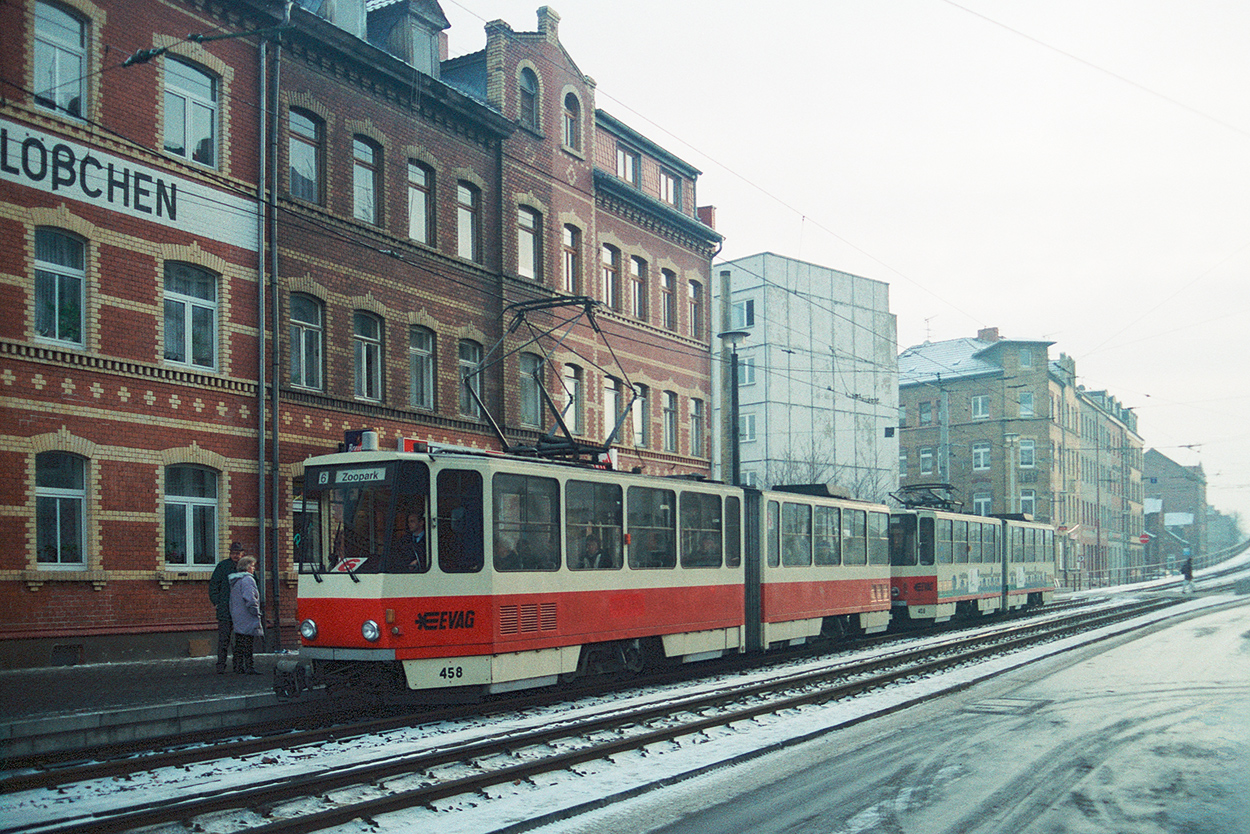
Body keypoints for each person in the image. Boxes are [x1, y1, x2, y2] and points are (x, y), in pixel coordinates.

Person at [208, 541, 243, 674]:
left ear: (242, 554)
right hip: (225, 609)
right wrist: (217, 602)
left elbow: (253, 584)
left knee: (239, 640)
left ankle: (238, 665)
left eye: (238, 553)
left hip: (241, 610)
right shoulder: (223, 566)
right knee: (224, 639)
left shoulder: (245, 566)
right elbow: (213, 586)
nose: (236, 556)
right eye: (234, 553)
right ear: (230, 553)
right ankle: (220, 666)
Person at [229, 555, 264, 675]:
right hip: (247, 615)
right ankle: (249, 666)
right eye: (252, 566)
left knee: (239, 642)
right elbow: (250, 598)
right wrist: (256, 611)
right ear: (247, 567)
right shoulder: (248, 580)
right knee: (248, 643)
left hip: (237, 615)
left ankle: (238, 666)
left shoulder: (235, 581)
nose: (253, 569)